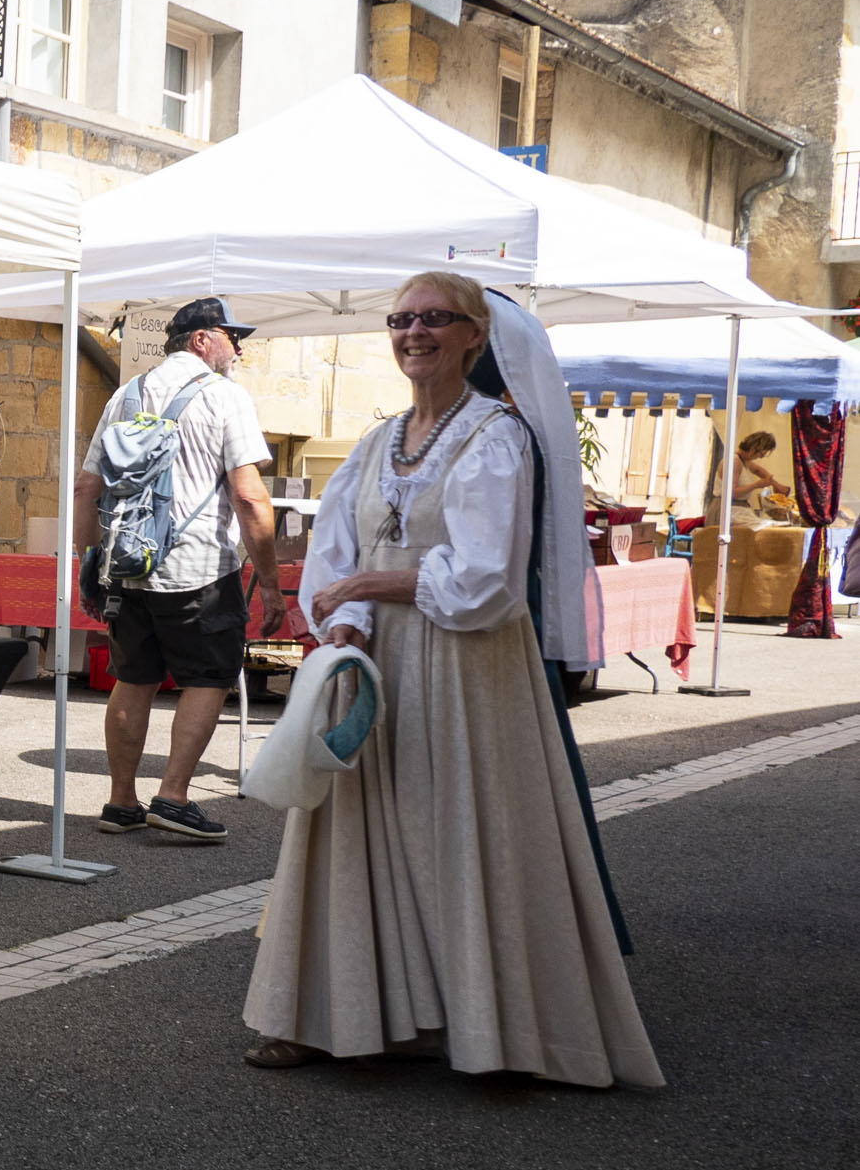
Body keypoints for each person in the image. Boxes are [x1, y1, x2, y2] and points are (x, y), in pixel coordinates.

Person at [244, 273, 662, 1089]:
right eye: (401, 319)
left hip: (466, 668)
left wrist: (368, 589)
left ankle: (494, 1027)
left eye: (435, 318)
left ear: (477, 335)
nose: (414, 332)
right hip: (381, 662)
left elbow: (486, 583)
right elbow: (339, 549)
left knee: (465, 832)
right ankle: (338, 1017)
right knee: (357, 836)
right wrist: (347, 631)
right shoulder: (377, 441)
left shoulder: (496, 439)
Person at [73, 296, 288, 843]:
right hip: (199, 568)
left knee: (133, 678)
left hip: (128, 565)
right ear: (199, 340)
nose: (238, 348)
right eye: (230, 336)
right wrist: (269, 584)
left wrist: (89, 560)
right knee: (207, 678)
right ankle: (173, 796)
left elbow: (87, 487)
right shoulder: (224, 397)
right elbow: (249, 496)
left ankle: (121, 801)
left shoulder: (126, 394)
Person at [731, 430, 790, 507]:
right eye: (761, 454)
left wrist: (776, 485)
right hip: (730, 508)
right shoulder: (735, 461)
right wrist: (756, 485)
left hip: (739, 507)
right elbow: (732, 492)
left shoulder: (744, 460)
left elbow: (758, 470)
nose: (760, 458)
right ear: (753, 450)